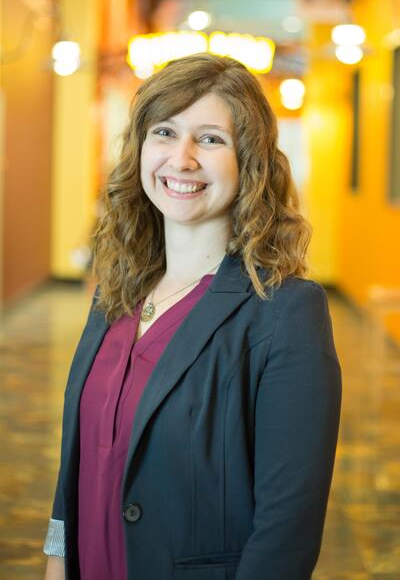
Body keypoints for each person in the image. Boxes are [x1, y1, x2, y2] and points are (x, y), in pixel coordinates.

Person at [44, 53, 341, 580]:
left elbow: (287, 532)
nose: (180, 160)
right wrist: (55, 559)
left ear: (249, 162)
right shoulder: (114, 294)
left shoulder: (287, 312)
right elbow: (78, 465)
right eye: (164, 132)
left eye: (210, 139)